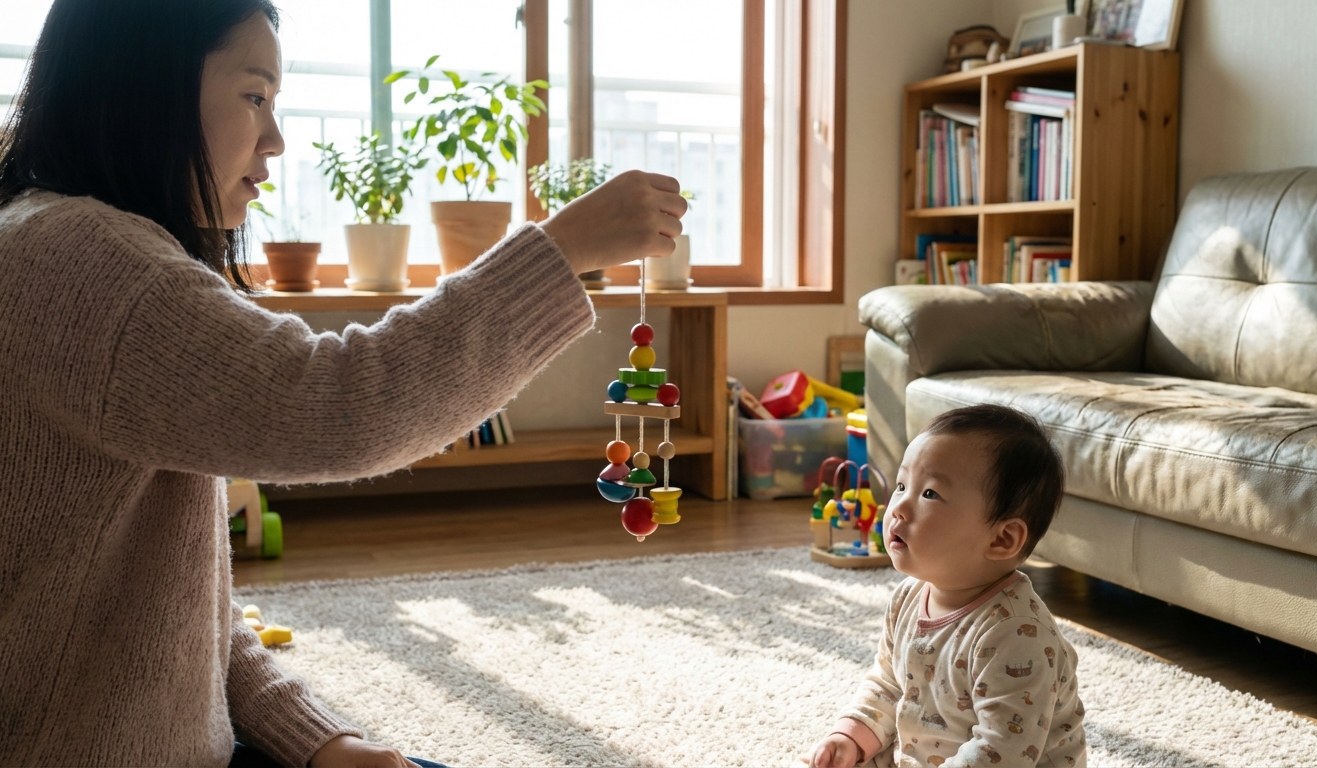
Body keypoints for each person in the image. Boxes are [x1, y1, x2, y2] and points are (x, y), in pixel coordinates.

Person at [0, 0, 685, 765]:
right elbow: (337, 403)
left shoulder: (62, 240)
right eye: (254, 95)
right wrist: (562, 249)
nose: (275, 138)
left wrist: (320, 740)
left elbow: (178, 609)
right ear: (144, 85)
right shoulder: (81, 262)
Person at [809, 405, 1088, 768]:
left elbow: (999, 751)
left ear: (1002, 539)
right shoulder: (908, 597)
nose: (898, 507)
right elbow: (890, 684)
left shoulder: (1016, 634)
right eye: (901, 486)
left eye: (929, 494)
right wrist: (851, 737)